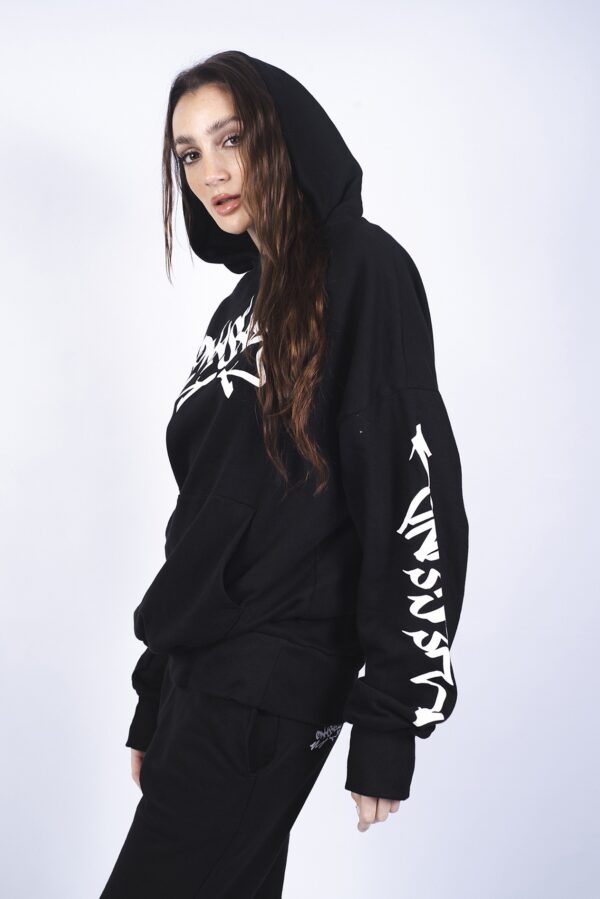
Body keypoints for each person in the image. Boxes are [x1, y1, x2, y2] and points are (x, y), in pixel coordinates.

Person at [99, 49, 469, 898]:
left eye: (231, 138)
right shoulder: (237, 308)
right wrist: (157, 690)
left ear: (281, 133)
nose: (210, 171)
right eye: (189, 152)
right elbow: (203, 516)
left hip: (270, 682)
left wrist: (393, 714)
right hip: (202, 680)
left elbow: (409, 488)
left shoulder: (363, 267)